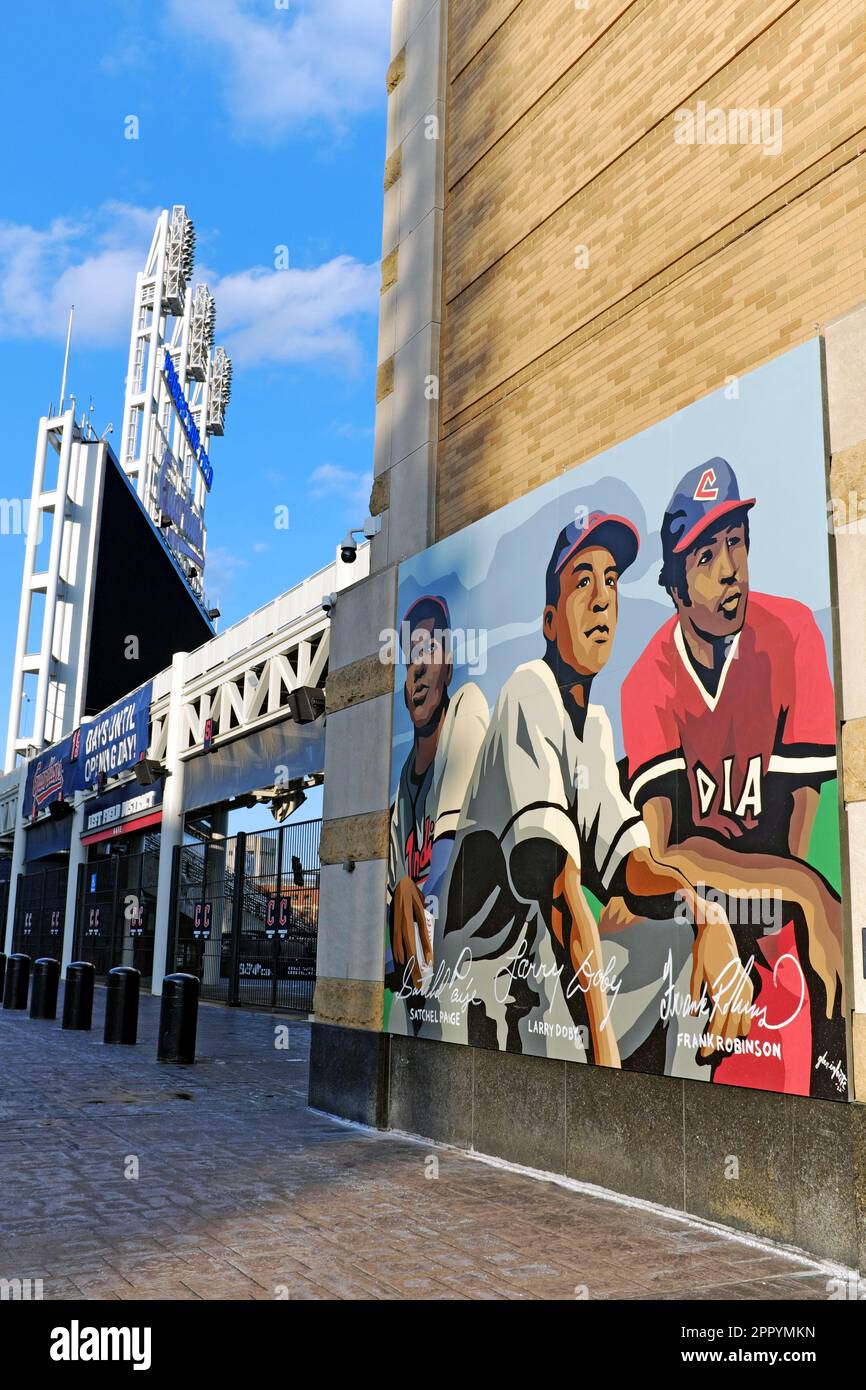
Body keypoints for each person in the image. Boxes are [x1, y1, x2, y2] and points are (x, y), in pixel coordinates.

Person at [428, 510, 749, 1067]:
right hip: (474, 993)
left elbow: (634, 868)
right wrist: (605, 1063)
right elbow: (561, 894)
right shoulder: (528, 690)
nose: (603, 598)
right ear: (550, 621)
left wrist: (704, 914)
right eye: (582, 582)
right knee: (602, 960)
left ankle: (666, 1138)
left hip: (535, 982)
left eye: (612, 580)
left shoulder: (595, 726)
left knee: (685, 943)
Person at [618, 458, 845, 1096]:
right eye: (705, 557)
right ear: (676, 589)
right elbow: (667, 852)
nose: (729, 569)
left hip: (770, 906)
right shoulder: (646, 681)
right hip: (692, 911)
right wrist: (805, 891)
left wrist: (790, 905)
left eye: (736, 543)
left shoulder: (793, 632)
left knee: (812, 997)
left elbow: (795, 826)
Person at [385, 596, 488, 1023]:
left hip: (479, 960)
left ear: (449, 666)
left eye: (430, 650)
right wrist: (397, 905)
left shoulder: (467, 706)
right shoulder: (402, 789)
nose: (419, 668)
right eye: (412, 656)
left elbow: (446, 864)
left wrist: (410, 907)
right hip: (421, 987)